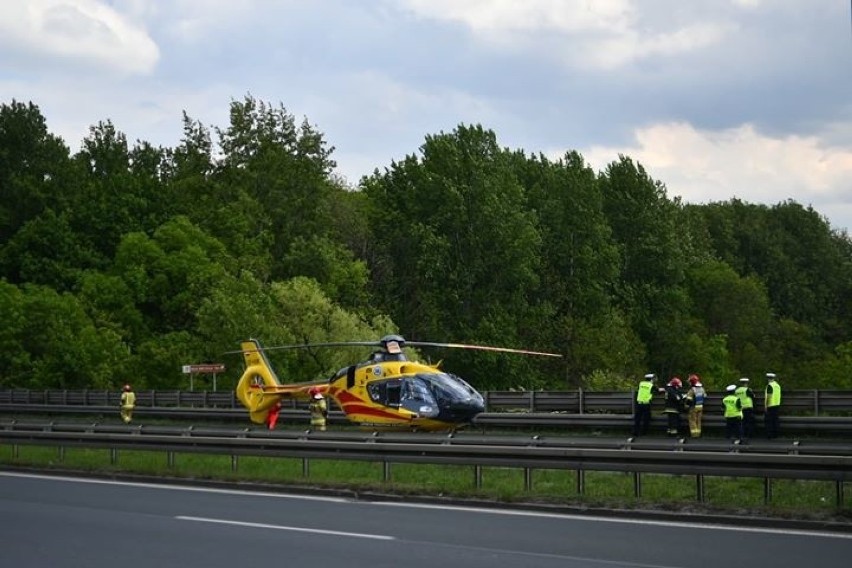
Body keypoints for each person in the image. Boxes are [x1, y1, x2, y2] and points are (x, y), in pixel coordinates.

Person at [684, 374, 706, 438]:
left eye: (690, 382)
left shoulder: (692, 390)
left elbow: (689, 400)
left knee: (692, 420)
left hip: (693, 408)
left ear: (692, 382)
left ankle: (694, 435)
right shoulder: (702, 389)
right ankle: (698, 434)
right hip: (700, 407)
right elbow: (704, 396)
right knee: (698, 421)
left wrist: (686, 406)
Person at [764, 372, 782, 439]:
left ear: (768, 378)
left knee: (769, 421)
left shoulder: (769, 386)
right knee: (775, 420)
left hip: (770, 405)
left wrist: (766, 405)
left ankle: (769, 435)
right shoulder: (777, 385)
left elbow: (769, 396)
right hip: (777, 405)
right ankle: (776, 435)